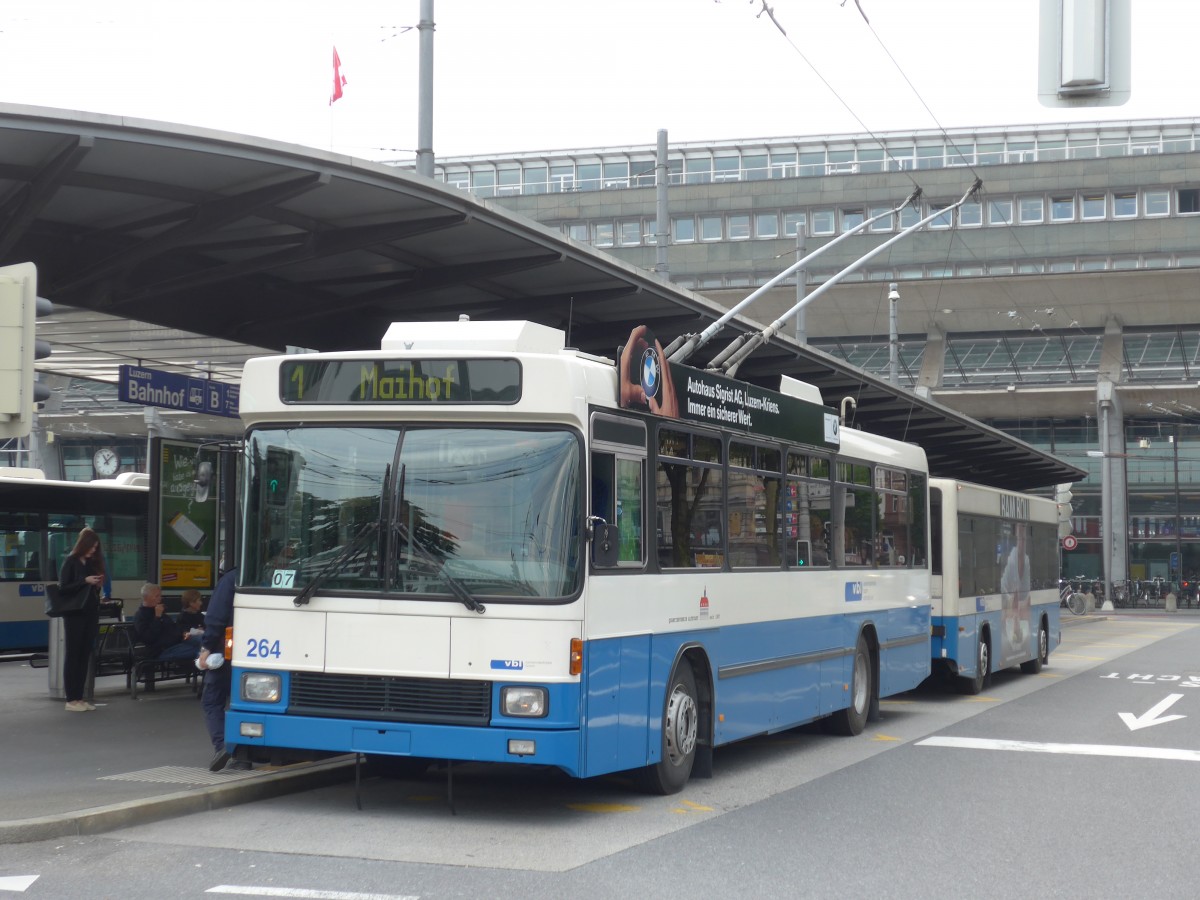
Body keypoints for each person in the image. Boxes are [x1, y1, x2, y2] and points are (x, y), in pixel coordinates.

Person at [200, 567, 244, 771]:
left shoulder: (230, 580)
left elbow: (216, 617)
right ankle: (244, 756)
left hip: (227, 650)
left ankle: (223, 746)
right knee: (243, 703)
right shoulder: (265, 576)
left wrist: (206, 647)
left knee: (212, 699)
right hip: (255, 653)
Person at [58, 527, 105, 712]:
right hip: (74, 614)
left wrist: (97, 584)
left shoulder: (91, 564)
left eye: (96, 547)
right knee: (73, 654)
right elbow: (63, 588)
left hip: (89, 613)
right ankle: (71, 698)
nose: (94, 550)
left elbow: (91, 589)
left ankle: (79, 697)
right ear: (83, 544)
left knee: (84, 654)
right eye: (92, 547)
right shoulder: (70, 561)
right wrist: (84, 581)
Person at [132, 583, 203, 660]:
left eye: (160, 595)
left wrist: (187, 632)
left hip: (177, 643)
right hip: (161, 650)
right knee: (203, 651)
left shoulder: (159, 611)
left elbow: (173, 628)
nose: (160, 598)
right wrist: (157, 618)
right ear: (146, 598)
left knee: (204, 639)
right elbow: (148, 638)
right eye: (157, 596)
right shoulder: (141, 615)